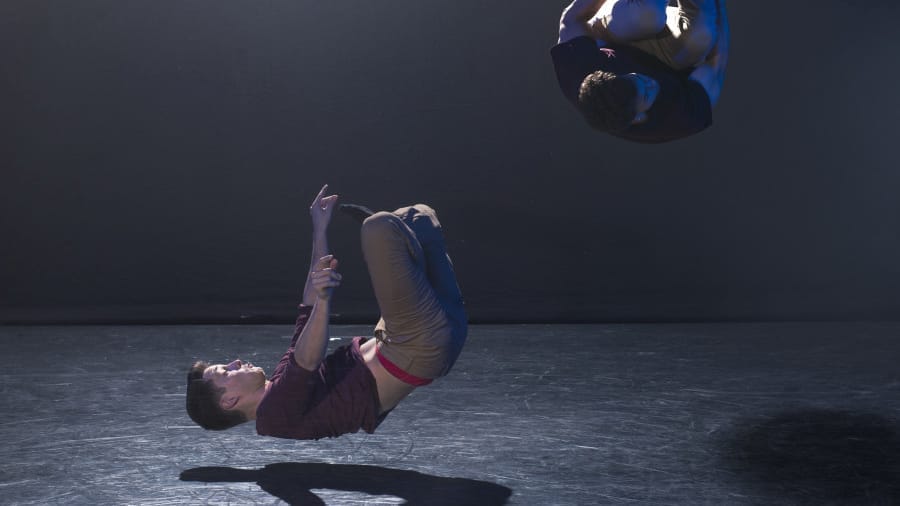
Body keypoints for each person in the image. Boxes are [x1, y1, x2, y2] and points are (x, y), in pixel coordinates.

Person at [185, 185, 467, 439]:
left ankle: (403, 250)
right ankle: (399, 249)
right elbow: (307, 359)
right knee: (378, 227)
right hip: (416, 345)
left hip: (426, 333)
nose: (234, 362)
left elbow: (306, 307)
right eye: (225, 371)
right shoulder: (274, 416)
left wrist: (319, 229)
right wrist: (324, 298)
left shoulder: (280, 386)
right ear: (229, 401)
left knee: (418, 215)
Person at [551, 0, 729, 143]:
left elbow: (572, 19)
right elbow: (715, 65)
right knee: (702, 36)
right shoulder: (677, 117)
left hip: (616, 33)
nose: (649, 82)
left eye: (636, 78)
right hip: (666, 58)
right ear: (638, 117)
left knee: (649, 15)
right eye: (646, 95)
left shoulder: (577, 69)